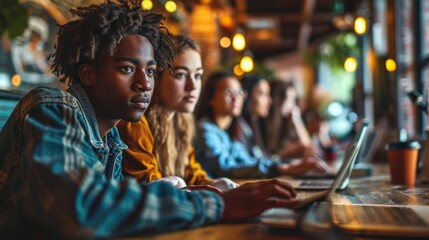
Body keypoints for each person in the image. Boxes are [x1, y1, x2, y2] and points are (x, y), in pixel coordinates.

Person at [0, 1, 300, 238]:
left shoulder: (112, 140)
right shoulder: (52, 107)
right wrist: (217, 204)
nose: (145, 83)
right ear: (88, 73)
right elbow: (82, 207)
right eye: (128, 69)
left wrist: (197, 193)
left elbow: (114, 203)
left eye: (151, 71)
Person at [117, 35, 237, 191]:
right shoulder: (136, 122)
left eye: (198, 75)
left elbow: (193, 175)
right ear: (156, 78)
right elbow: (148, 183)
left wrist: (213, 183)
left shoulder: (182, 121)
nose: (193, 85)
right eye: (181, 74)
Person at [194, 72, 330, 179]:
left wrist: (286, 165)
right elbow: (225, 168)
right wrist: (283, 167)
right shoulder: (205, 129)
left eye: (239, 93)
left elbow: (249, 161)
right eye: (229, 93)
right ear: (210, 98)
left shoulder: (225, 132)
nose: (236, 98)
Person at [267, 79, 316, 160]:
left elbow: (308, 148)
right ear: (278, 100)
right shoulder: (264, 123)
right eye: (290, 99)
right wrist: (281, 155)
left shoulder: (284, 121)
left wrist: (297, 120)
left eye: (294, 99)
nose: (293, 104)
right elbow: (267, 158)